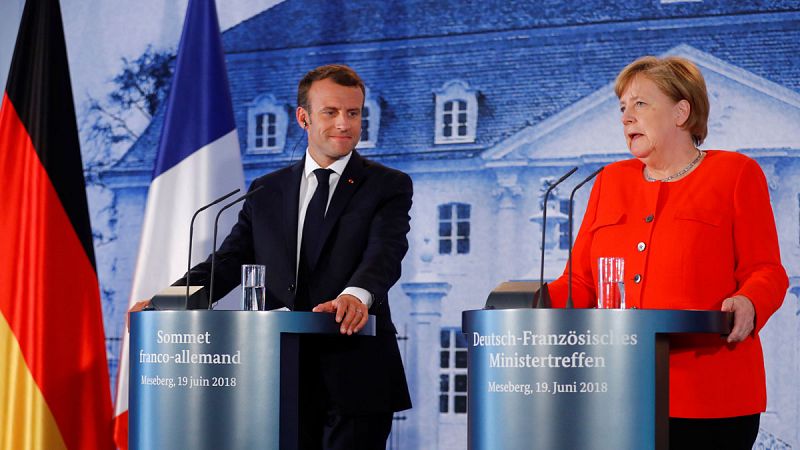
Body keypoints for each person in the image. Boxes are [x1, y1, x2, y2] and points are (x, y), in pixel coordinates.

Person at [132, 64, 412, 449]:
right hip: (277, 373)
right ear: (303, 117)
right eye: (330, 112)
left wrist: (356, 295)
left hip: (355, 369)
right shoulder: (266, 190)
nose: (344, 124)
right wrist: (168, 302)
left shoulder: (388, 185)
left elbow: (386, 250)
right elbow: (228, 261)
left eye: (354, 113)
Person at [547, 56, 788, 449]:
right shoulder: (608, 181)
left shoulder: (735, 173)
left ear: (681, 112)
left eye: (640, 104)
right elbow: (580, 282)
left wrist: (749, 301)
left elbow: (767, 270)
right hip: (619, 393)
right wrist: (533, 304)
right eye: (622, 107)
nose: (626, 117)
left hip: (712, 396)